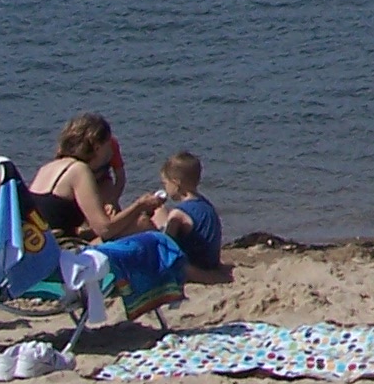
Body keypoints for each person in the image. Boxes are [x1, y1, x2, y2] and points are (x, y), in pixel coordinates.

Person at [24, 114, 161, 241]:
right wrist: (139, 205)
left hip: (44, 245)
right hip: (64, 249)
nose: (111, 150)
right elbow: (104, 229)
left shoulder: (47, 168)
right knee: (142, 223)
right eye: (108, 144)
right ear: (97, 148)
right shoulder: (79, 170)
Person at [150, 151, 228, 281]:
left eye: (165, 183)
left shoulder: (178, 214)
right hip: (210, 263)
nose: (165, 188)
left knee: (155, 220)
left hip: (192, 267)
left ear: (176, 183)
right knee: (160, 210)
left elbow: (165, 246)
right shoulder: (205, 204)